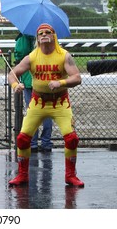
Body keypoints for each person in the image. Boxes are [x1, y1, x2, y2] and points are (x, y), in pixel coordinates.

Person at [8, 23, 84, 187]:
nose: (43, 35)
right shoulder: (32, 57)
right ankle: (22, 175)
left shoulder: (64, 56)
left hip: (60, 103)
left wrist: (61, 82)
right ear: (37, 38)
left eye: (47, 32)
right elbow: (12, 74)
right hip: (37, 102)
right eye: (40, 33)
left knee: (71, 139)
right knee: (22, 139)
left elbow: (77, 77)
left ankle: (70, 175)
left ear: (54, 35)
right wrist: (16, 86)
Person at [14, 33, 53, 152]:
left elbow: (19, 55)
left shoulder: (24, 37)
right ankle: (46, 142)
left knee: (32, 112)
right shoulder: (49, 36)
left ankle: (33, 142)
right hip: (46, 80)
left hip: (29, 79)